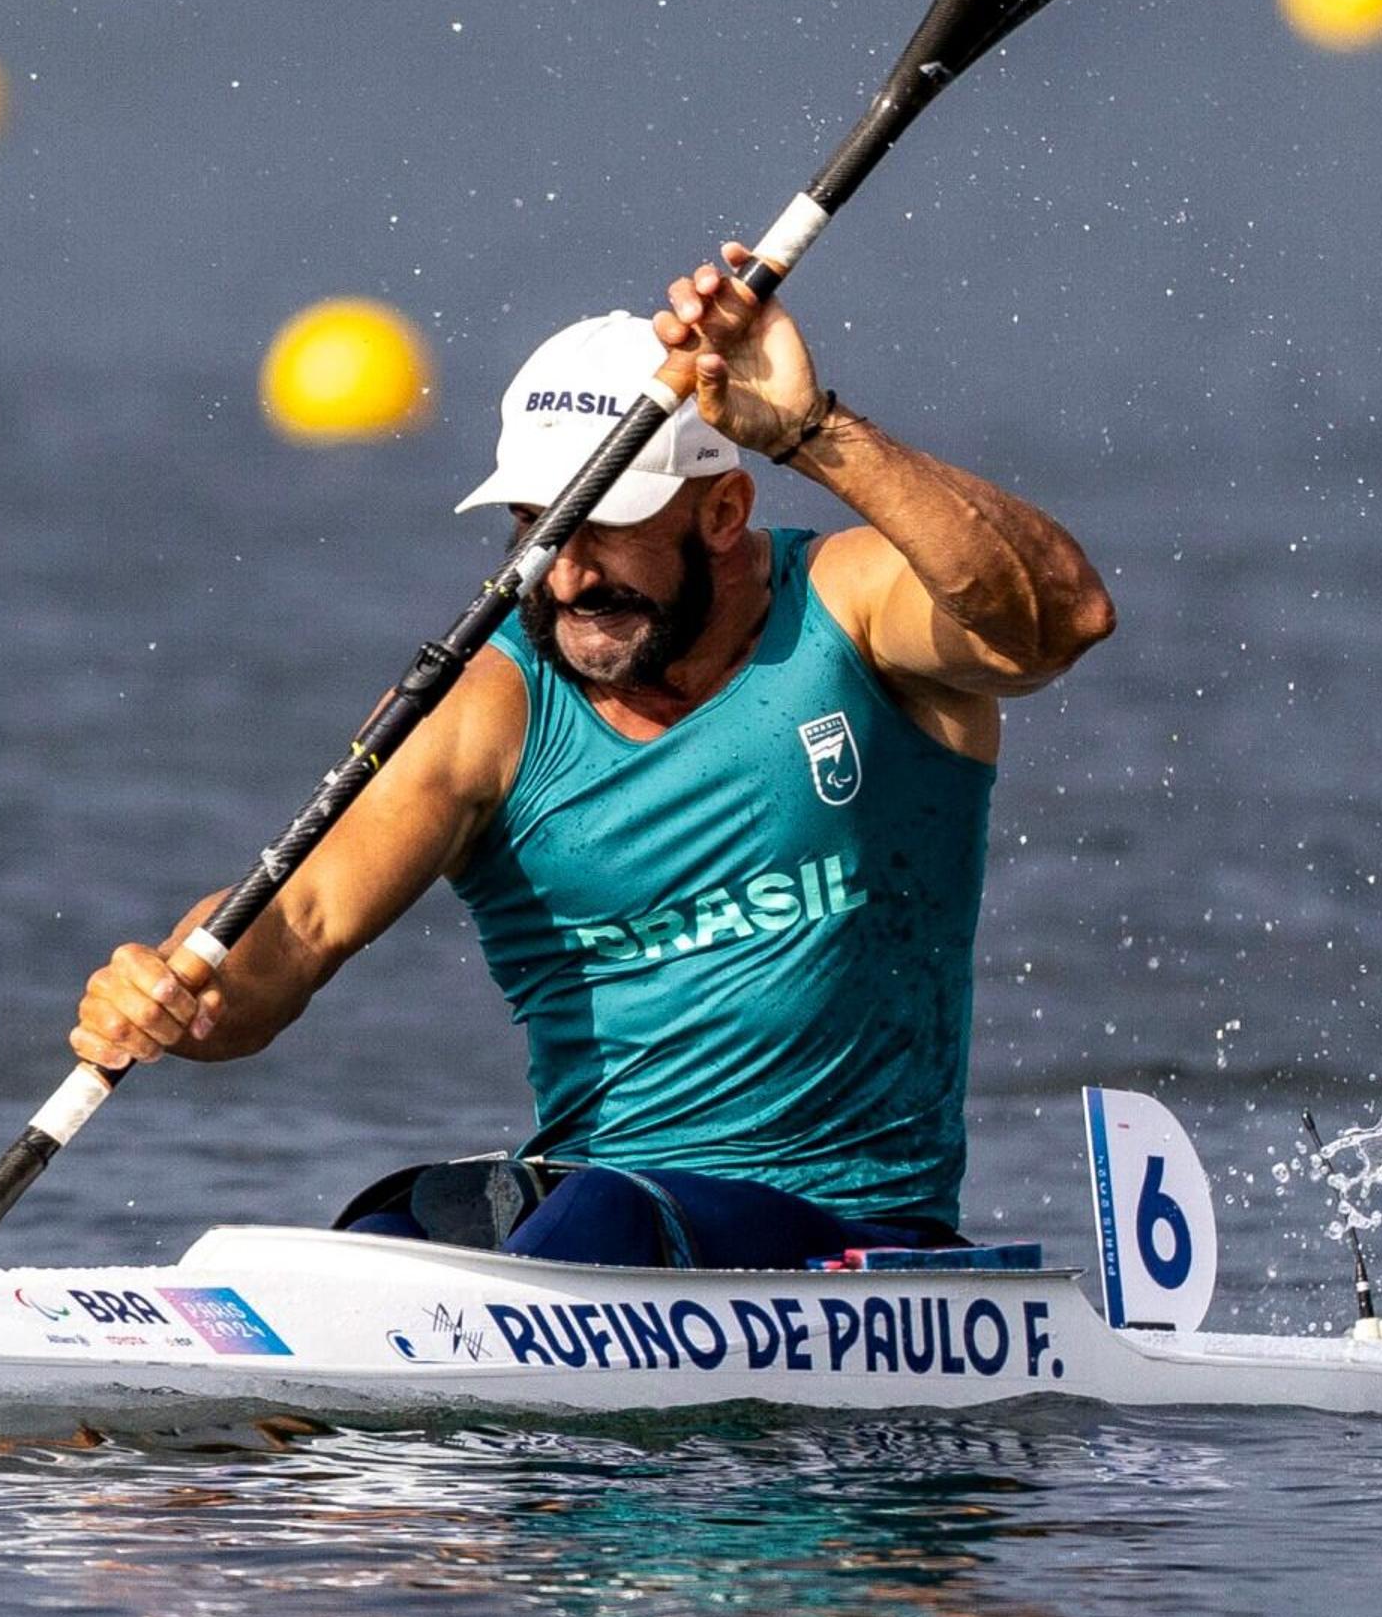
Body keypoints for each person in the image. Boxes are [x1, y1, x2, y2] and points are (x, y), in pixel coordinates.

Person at [66, 246, 1116, 1268]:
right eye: (534, 527)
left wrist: (813, 431)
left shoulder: (857, 615)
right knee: (394, 1230)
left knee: (600, 1220)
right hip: (599, 1221)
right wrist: (184, 989)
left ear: (724, 510)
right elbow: (293, 924)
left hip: (849, 1240)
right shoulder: (481, 706)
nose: (563, 579)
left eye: (602, 533)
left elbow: (1061, 617)